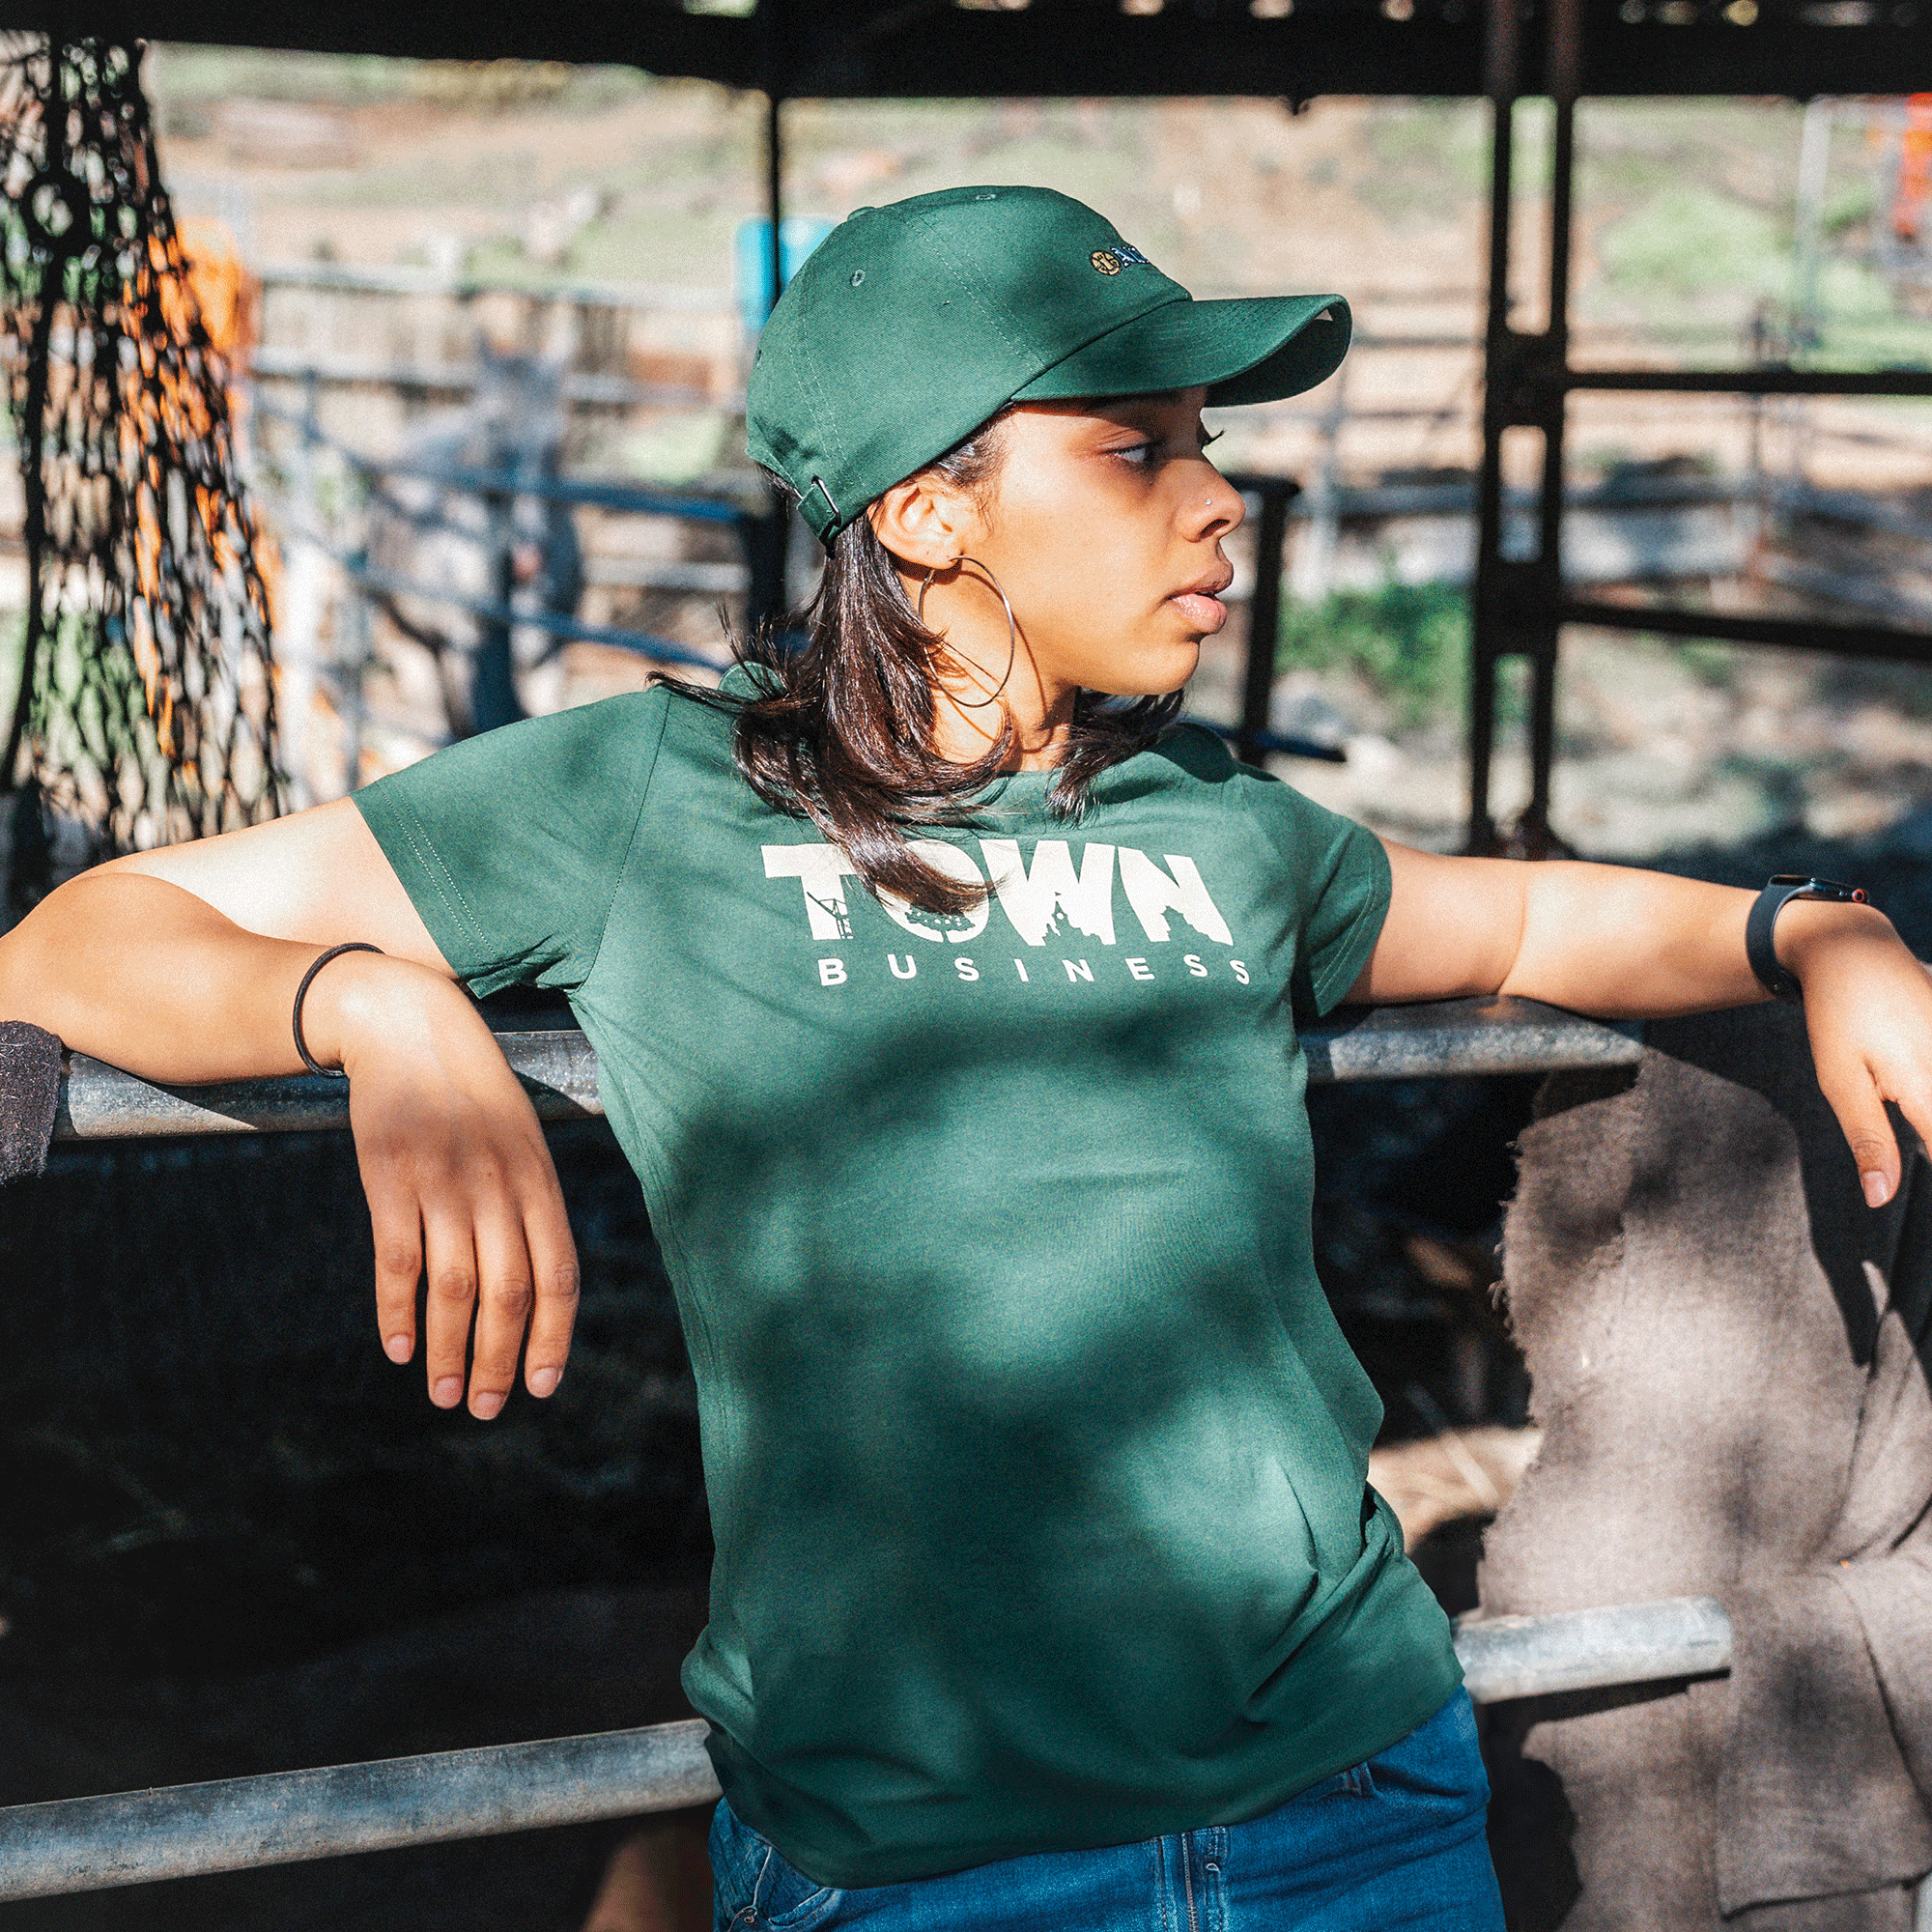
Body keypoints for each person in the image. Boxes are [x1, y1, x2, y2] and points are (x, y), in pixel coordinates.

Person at [4, 185, 1931, 1931]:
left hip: (1355, 1793)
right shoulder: (648, 798)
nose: (1216, 500)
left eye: (1209, 446)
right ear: (926, 508)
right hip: (932, 1859)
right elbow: (74, 939)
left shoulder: (1220, 821)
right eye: (1133, 450)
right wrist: (373, 1000)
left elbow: (1515, 923)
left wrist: (1806, 931)